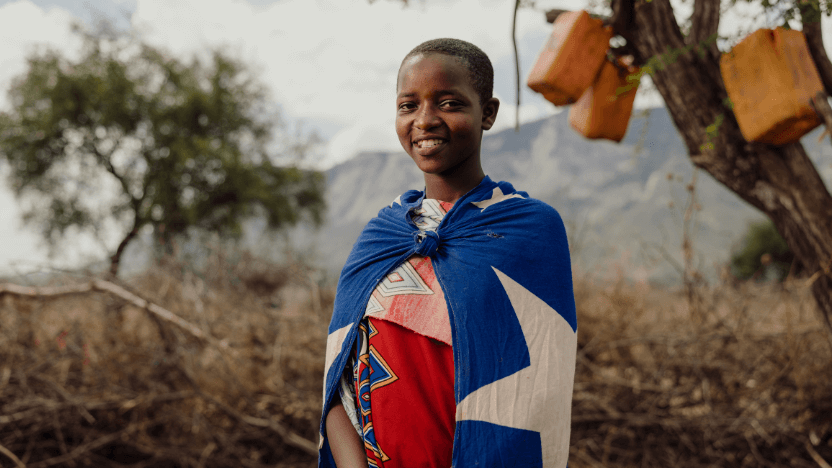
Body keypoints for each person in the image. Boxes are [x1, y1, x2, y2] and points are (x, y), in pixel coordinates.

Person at [319, 38, 577, 468]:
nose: (424, 120)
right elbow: (337, 380)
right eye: (408, 105)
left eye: (449, 103)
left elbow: (537, 389)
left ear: (487, 113)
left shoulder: (529, 232)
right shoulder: (382, 237)